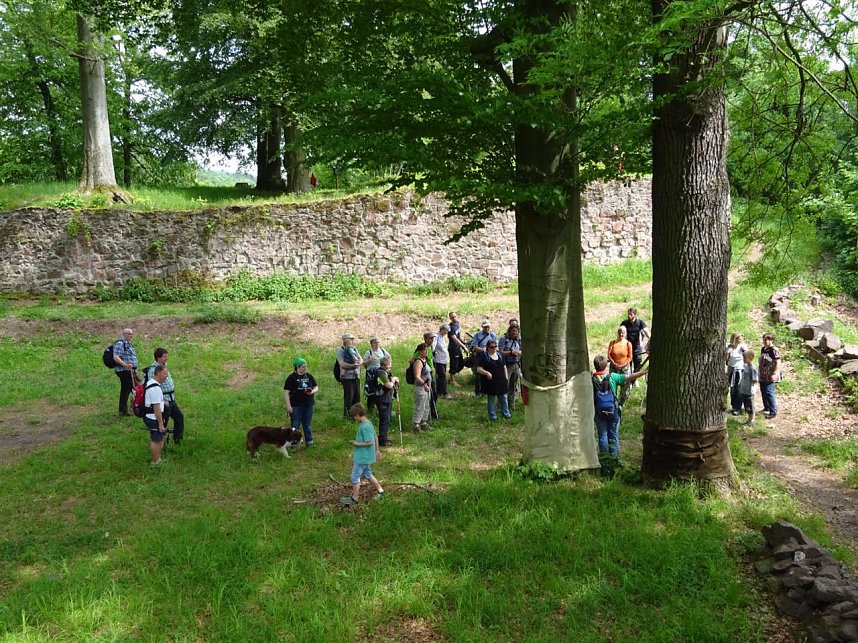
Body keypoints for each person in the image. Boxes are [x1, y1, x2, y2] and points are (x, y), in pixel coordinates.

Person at [591, 355, 648, 458]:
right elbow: (630, 377)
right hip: (613, 411)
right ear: (605, 366)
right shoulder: (612, 377)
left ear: (595, 366)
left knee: (602, 436)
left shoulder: (591, 379)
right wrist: (644, 372)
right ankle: (614, 461)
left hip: (599, 412)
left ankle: (604, 461)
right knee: (613, 436)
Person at [341, 403, 385, 506]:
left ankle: (354, 499)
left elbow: (370, 442)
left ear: (357, 415)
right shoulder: (369, 423)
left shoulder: (364, 427)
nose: (354, 419)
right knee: (368, 474)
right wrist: (377, 450)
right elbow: (375, 437)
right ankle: (381, 491)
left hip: (362, 458)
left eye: (354, 416)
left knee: (355, 476)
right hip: (367, 456)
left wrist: (356, 443)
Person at [146, 348, 185, 445]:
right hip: (164, 401)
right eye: (164, 356)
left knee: (179, 417)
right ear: (158, 357)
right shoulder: (153, 369)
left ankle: (178, 440)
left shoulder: (164, 366)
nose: (166, 358)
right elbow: (152, 386)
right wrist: (162, 401)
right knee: (163, 422)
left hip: (171, 399)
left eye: (166, 356)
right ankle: (160, 444)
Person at [284, 357, 319, 447]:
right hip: (296, 405)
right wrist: (289, 406)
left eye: (306, 366)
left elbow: (316, 387)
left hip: (308, 404)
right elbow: (286, 392)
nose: (305, 368)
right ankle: (293, 442)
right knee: (295, 424)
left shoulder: (309, 376)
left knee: (307, 424)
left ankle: (309, 441)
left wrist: (312, 391)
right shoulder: (291, 378)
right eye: (303, 367)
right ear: (297, 367)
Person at [476, 339, 510, 421]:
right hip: (490, 382)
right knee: (491, 400)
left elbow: (504, 366)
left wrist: (506, 377)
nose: (494, 348)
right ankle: (493, 416)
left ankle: (506, 414)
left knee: (503, 398)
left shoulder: (500, 355)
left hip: (501, 381)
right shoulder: (485, 356)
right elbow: (479, 369)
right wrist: (487, 373)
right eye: (492, 347)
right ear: (488, 347)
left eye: (495, 346)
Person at [143, 365, 169, 467]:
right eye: (165, 373)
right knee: (156, 440)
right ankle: (155, 462)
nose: (167, 376)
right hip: (153, 418)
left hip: (152, 416)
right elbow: (156, 408)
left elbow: (155, 401)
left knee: (160, 438)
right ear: (158, 373)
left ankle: (158, 459)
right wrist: (161, 424)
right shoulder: (155, 388)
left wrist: (163, 401)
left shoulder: (151, 384)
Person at [112, 328, 139, 416]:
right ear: (124, 334)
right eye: (129, 334)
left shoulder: (128, 343)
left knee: (130, 389)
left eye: (132, 334)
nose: (131, 336)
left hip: (130, 370)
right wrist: (124, 364)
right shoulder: (120, 343)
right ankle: (129, 409)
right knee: (131, 389)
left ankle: (129, 408)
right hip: (124, 370)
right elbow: (116, 357)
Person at [337, 332, 363, 419]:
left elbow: (361, 359)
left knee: (357, 398)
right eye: (351, 339)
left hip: (356, 376)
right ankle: (348, 416)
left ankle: (357, 416)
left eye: (353, 339)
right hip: (347, 378)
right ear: (346, 341)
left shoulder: (354, 349)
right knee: (349, 398)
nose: (352, 341)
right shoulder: (341, 351)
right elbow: (342, 364)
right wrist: (352, 366)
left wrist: (359, 363)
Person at [469, 320, 498, 396]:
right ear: (482, 327)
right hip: (480, 356)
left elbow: (496, 346)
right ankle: (478, 392)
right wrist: (483, 350)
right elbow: (474, 346)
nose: (487, 328)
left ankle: (488, 390)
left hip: (490, 356)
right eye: (485, 327)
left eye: (488, 327)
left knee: (490, 372)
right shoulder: (477, 335)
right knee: (478, 374)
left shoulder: (493, 335)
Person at [498, 322, 522, 411]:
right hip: (506, 365)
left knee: (513, 385)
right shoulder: (504, 339)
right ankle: (501, 405)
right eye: (513, 331)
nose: (515, 333)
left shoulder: (518, 340)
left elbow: (522, 350)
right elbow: (500, 352)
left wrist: (519, 353)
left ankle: (511, 404)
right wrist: (510, 353)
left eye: (516, 331)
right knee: (505, 385)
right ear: (510, 331)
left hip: (516, 364)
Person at [375, 356, 399, 446]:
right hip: (382, 399)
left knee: (387, 419)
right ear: (384, 365)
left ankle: (384, 436)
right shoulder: (380, 373)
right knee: (384, 419)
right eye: (389, 364)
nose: (390, 366)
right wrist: (393, 381)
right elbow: (388, 385)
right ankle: (382, 440)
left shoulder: (386, 372)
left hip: (387, 398)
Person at [363, 337, 390, 413]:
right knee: (371, 390)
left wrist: (389, 366)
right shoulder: (369, 352)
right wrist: (369, 360)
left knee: (381, 389)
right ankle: (370, 409)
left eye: (378, 342)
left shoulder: (383, 350)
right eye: (375, 342)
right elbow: (363, 363)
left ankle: (381, 407)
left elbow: (389, 357)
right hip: (371, 374)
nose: (377, 343)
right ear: (371, 344)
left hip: (382, 372)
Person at [759, 333, 782, 419]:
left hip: (770, 374)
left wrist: (775, 373)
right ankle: (766, 407)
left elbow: (777, 361)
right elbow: (767, 359)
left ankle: (773, 411)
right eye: (763, 340)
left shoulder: (774, 349)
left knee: (769, 392)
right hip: (763, 373)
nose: (764, 341)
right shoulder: (763, 349)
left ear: (771, 340)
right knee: (763, 391)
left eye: (766, 340)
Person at [608, 326, 633, 404]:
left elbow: (630, 357)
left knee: (625, 386)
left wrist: (623, 365)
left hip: (624, 369)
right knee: (612, 385)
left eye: (623, 333)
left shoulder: (628, 343)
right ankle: (613, 401)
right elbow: (609, 355)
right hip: (613, 368)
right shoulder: (612, 342)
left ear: (625, 334)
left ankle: (621, 403)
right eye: (619, 333)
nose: (621, 334)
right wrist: (613, 363)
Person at [724, 333, 747, 416]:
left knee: (739, 389)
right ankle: (734, 406)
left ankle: (738, 407)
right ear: (734, 339)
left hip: (740, 369)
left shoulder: (742, 347)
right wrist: (727, 353)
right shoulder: (728, 346)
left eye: (741, 339)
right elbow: (725, 359)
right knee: (732, 388)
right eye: (739, 339)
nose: (740, 341)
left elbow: (748, 357)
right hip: (731, 369)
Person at [621, 308, 650, 373]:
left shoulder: (640, 322)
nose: (629, 316)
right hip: (627, 347)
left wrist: (651, 339)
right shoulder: (624, 323)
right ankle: (630, 379)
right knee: (628, 365)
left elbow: (646, 331)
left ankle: (634, 379)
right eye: (628, 314)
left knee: (637, 366)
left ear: (635, 315)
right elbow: (620, 332)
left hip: (637, 348)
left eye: (631, 314)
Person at [411, 343, 432, 432]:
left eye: (427, 350)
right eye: (424, 350)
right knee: (420, 405)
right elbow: (417, 376)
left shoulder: (425, 360)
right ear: (420, 351)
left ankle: (423, 422)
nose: (426, 351)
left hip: (426, 387)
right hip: (420, 387)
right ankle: (416, 424)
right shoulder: (418, 362)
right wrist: (424, 384)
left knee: (426, 405)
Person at [447, 312, 469, 385]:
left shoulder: (457, 324)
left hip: (458, 347)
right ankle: (452, 380)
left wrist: (464, 343)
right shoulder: (450, 327)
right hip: (453, 348)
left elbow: (459, 336)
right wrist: (463, 346)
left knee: (461, 364)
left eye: (455, 316)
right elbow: (455, 339)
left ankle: (451, 378)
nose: (454, 318)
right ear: (450, 318)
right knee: (454, 364)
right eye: (452, 317)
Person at [737, 349, 758, 425]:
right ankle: (749, 419)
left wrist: (750, 384)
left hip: (749, 390)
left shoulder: (752, 368)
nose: (743, 359)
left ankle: (752, 420)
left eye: (744, 358)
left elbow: (755, 380)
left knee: (750, 405)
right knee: (746, 405)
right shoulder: (744, 366)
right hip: (744, 389)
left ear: (750, 358)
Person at [432, 325, 452, 399]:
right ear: (442, 329)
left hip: (444, 360)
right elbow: (433, 347)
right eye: (446, 330)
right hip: (438, 360)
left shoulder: (442, 337)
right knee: (442, 376)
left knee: (441, 376)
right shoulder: (436, 336)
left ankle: (439, 391)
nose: (447, 332)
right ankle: (445, 392)